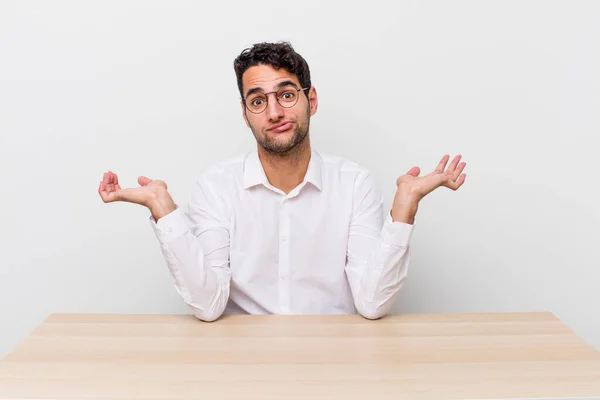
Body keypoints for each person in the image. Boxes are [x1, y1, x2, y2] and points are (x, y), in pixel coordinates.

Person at [98, 42, 467, 322]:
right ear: (245, 114)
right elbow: (208, 306)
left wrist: (405, 206)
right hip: (244, 364)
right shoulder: (216, 187)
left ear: (312, 100)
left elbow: (372, 303)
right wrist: (163, 209)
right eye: (258, 101)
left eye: (287, 95)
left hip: (335, 359)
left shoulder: (354, 184)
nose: (274, 112)